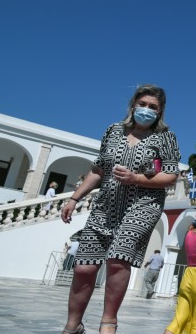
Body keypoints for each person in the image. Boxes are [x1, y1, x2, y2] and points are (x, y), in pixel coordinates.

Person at [60, 84, 180, 334]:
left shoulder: (165, 137)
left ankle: (108, 322)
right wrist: (74, 198)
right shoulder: (113, 131)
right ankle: (73, 325)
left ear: (160, 112)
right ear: (133, 104)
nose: (146, 110)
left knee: (118, 259)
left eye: (153, 107)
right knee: (84, 266)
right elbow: (98, 169)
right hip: (106, 205)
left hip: (142, 205)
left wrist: (136, 178)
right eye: (143, 104)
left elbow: (170, 177)